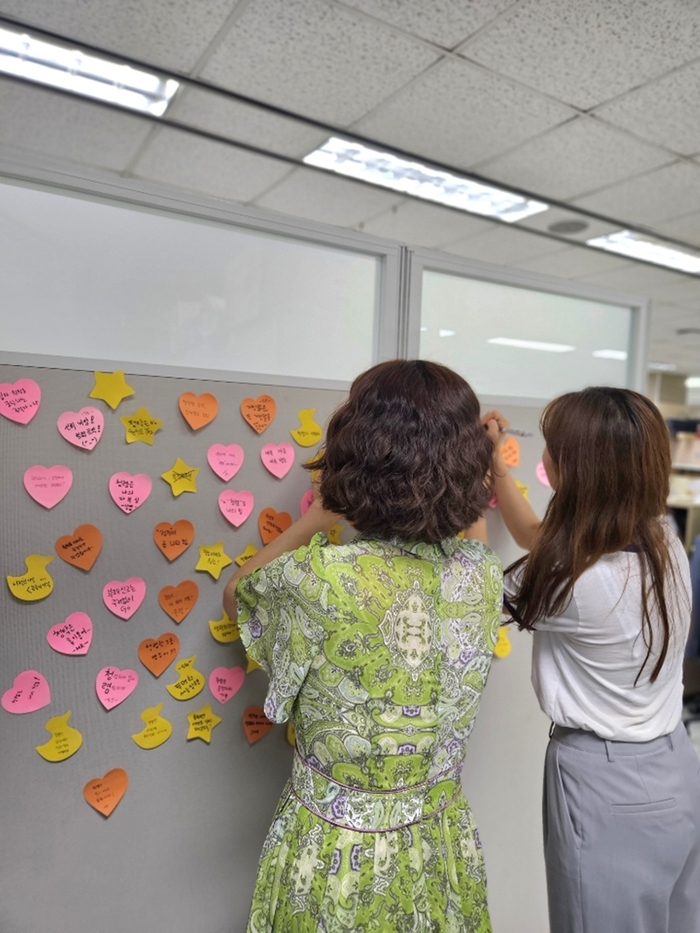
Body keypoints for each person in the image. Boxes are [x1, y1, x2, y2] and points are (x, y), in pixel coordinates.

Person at [223, 359, 503, 933]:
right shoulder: (481, 575)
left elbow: (238, 597)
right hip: (438, 845)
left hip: (335, 855)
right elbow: (472, 536)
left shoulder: (317, 579)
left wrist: (321, 514)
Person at [485, 387, 700, 933]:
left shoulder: (572, 584)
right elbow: (541, 539)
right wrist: (498, 472)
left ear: (578, 472)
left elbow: (470, 589)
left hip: (607, 788)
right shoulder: (662, 541)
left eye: (552, 450)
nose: (543, 459)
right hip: (674, 768)